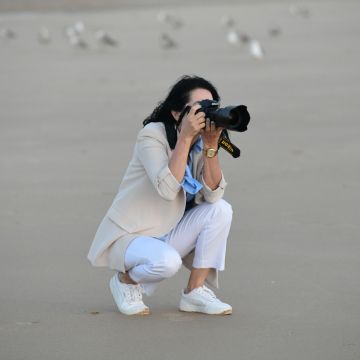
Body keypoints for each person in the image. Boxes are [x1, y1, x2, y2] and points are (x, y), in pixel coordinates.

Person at [87, 75, 234, 316]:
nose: (205, 115)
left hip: (169, 230)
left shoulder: (201, 143)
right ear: (177, 114)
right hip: (132, 235)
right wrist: (185, 138)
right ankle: (125, 281)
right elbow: (167, 189)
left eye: (211, 107)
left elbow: (214, 195)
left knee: (221, 210)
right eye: (199, 109)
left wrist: (210, 146)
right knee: (167, 263)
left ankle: (194, 293)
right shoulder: (152, 135)